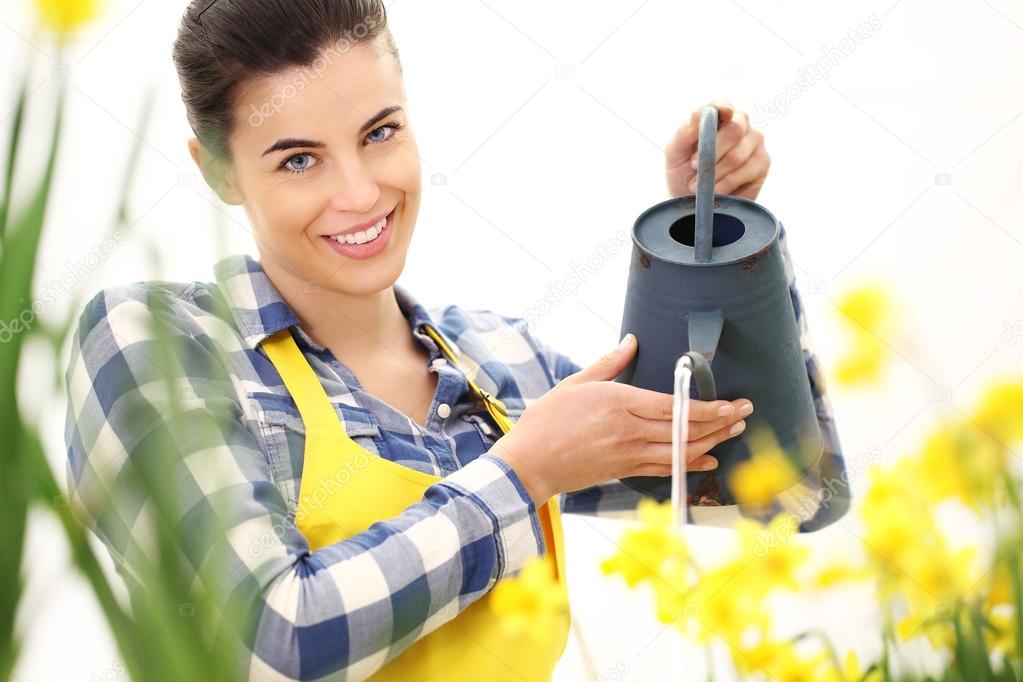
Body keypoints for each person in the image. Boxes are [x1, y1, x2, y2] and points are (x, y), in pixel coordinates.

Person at [64, 1, 839, 680]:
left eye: (379, 132)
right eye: (299, 158)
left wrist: (717, 255)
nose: (360, 193)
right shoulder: (157, 346)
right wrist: (521, 472)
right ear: (219, 172)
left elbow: (783, 495)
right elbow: (271, 645)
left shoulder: (502, 366)